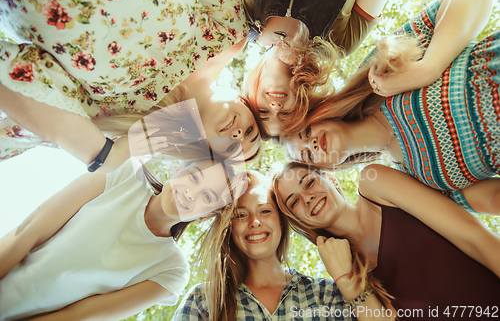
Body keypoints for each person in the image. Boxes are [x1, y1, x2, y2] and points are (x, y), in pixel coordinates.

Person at [285, 0, 500, 214]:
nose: (313, 144)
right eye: (308, 155)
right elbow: (493, 199)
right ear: (327, 168)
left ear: (319, 112)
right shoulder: (417, 181)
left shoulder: (374, 79)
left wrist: (428, 69)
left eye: (306, 133)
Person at [0, 0, 261, 168]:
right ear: (245, 101)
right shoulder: (228, 33)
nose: (238, 134)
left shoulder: (119, 116)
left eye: (232, 149)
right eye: (250, 131)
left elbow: (22, 81)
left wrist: (110, 156)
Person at [0, 154, 239, 321]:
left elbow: (80, 316)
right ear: (177, 169)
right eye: (194, 177)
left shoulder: (171, 271)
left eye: (207, 197)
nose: (190, 192)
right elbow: (29, 232)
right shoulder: (124, 172)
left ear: (205, 217)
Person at [273, 162, 500, 320]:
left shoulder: (375, 185)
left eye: (309, 183)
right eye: (294, 202)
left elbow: (475, 238)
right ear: (298, 221)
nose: (307, 197)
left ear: (330, 177)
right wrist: (345, 280)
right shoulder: (342, 274)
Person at [172, 170, 395, 321]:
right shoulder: (203, 300)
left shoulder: (327, 294)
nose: (255, 222)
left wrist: (348, 281)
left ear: (281, 221)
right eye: (240, 215)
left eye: (265, 210)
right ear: (229, 229)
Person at [241, 0, 392, 138]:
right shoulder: (340, 43)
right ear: (300, 105)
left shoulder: (242, 19)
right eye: (285, 114)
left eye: (263, 112)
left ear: (251, 96)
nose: (275, 108)